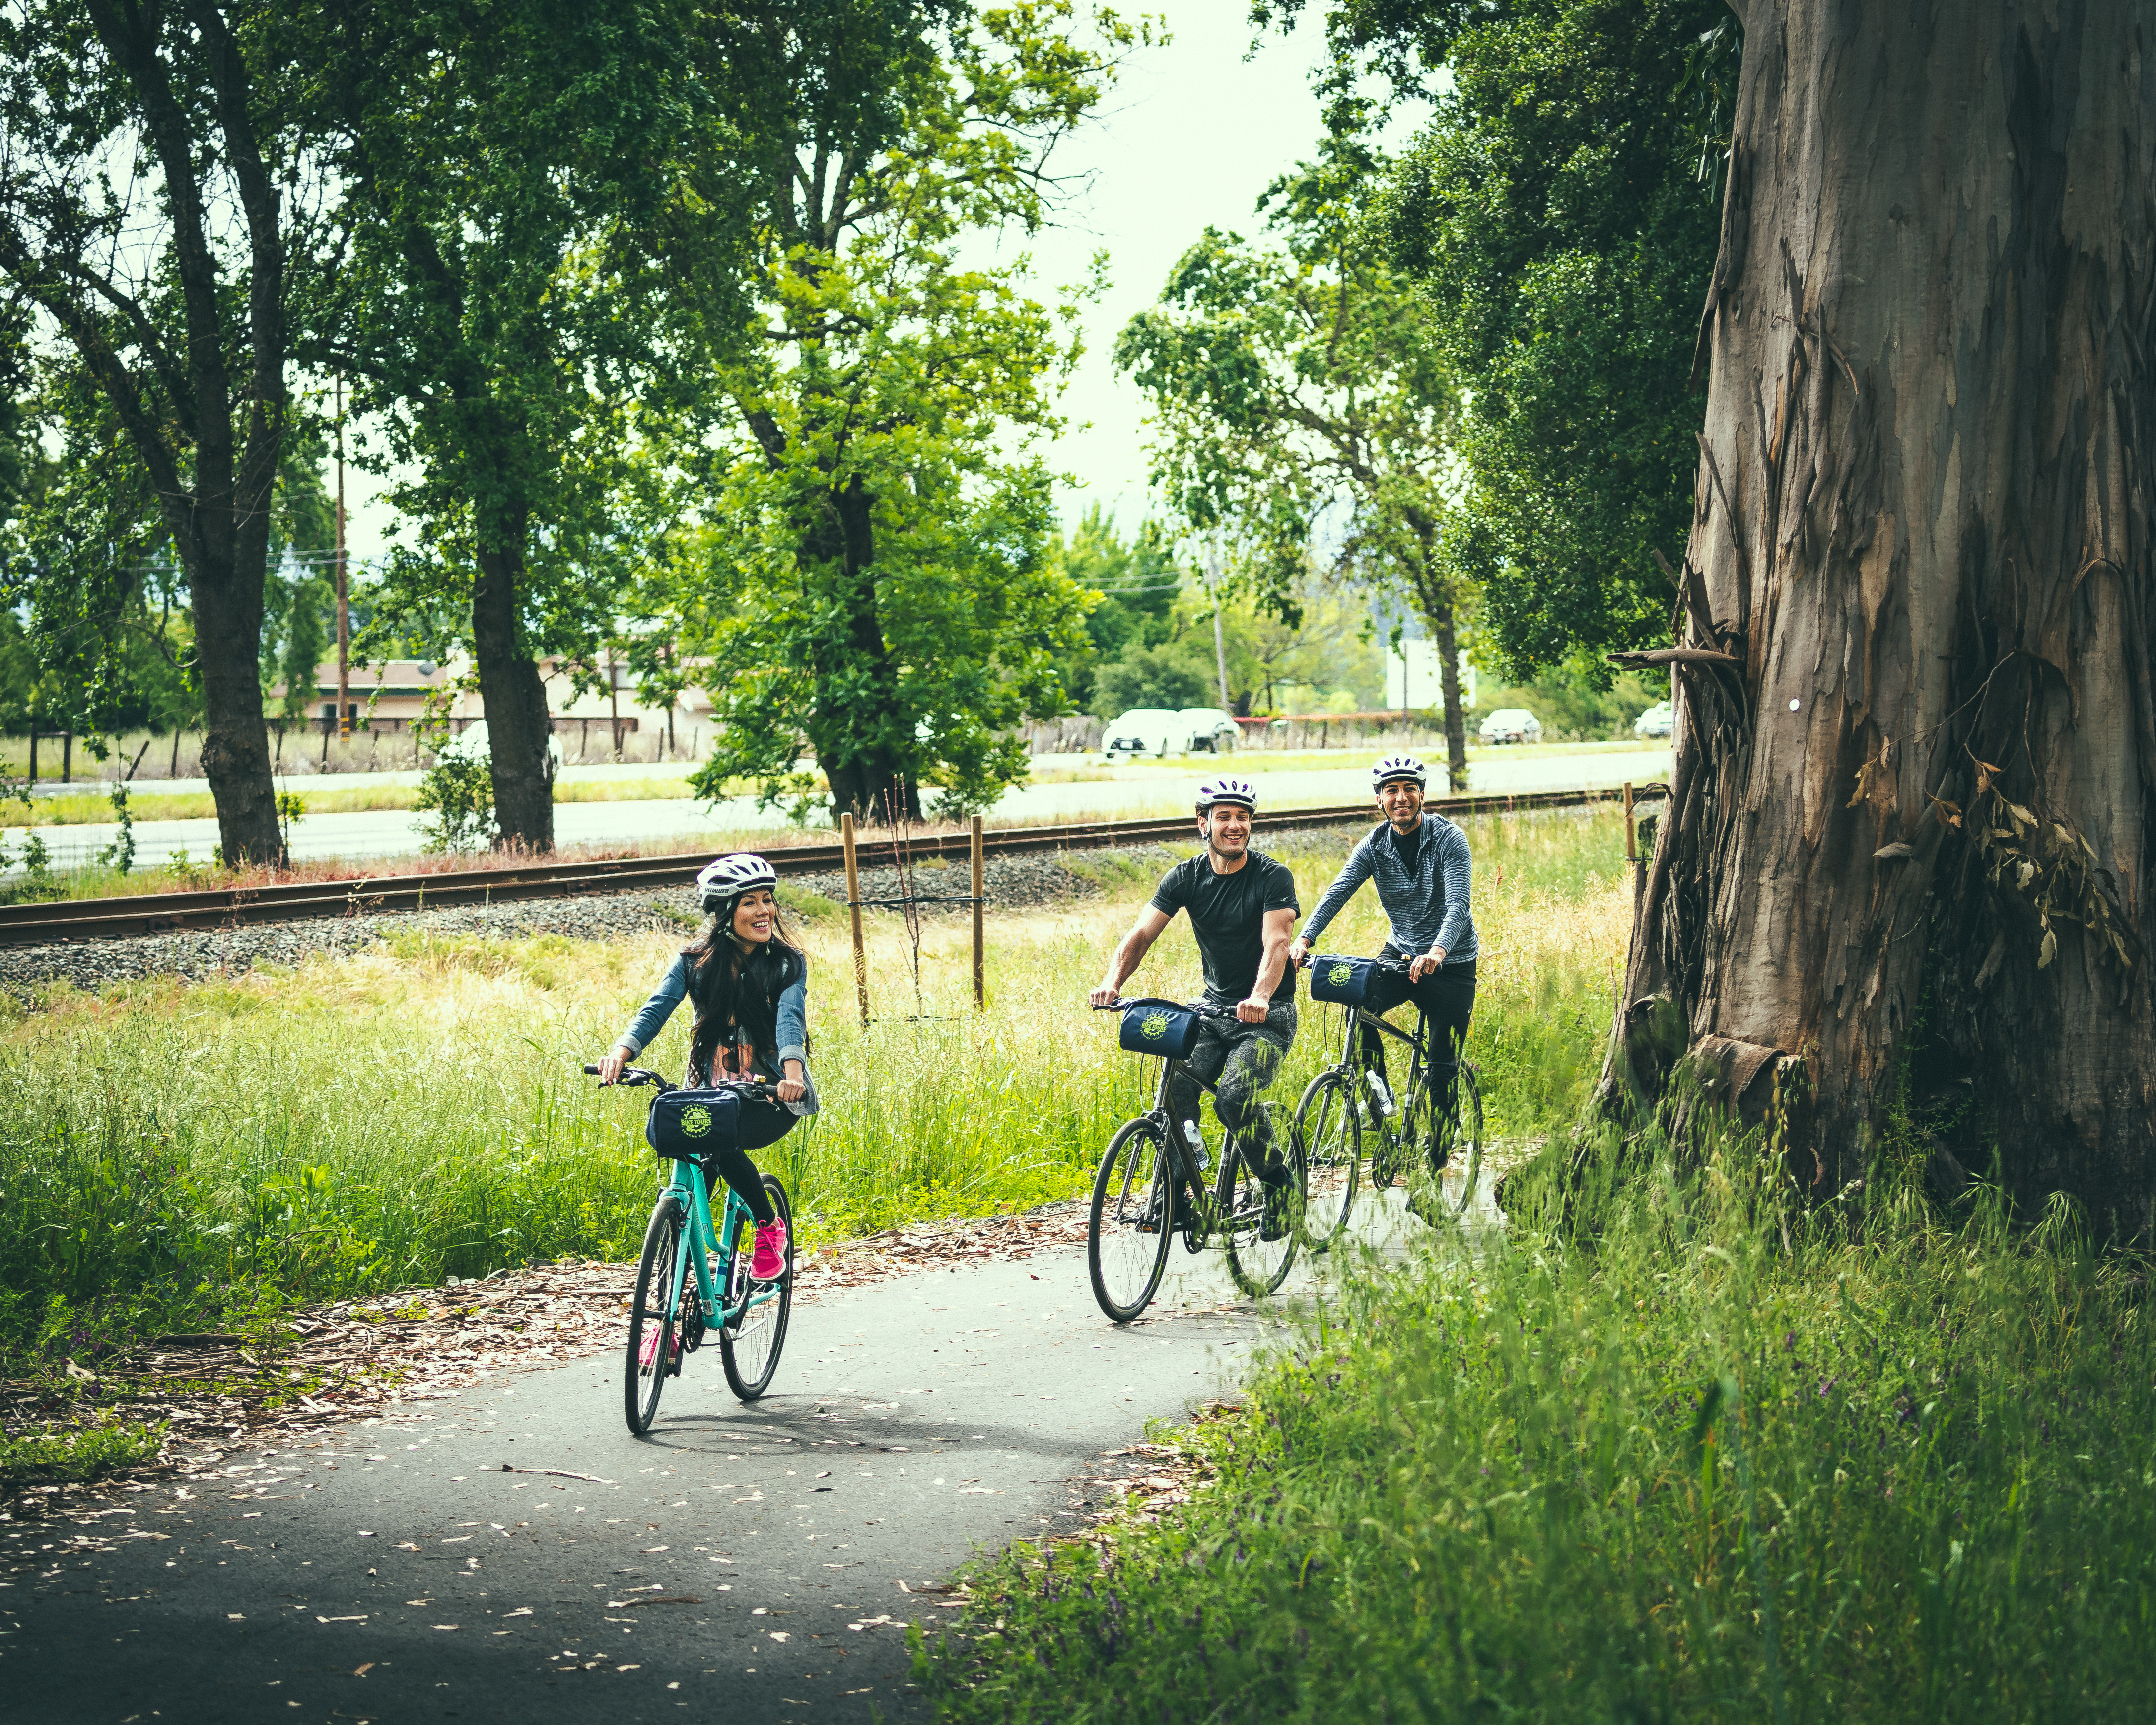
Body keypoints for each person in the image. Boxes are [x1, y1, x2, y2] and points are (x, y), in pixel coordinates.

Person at [1088, 775, 1299, 1232]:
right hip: (1213, 1010)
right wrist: (1112, 982)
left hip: (1268, 1016)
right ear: (1203, 824)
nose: (1235, 826)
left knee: (1234, 1099)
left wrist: (1260, 996)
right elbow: (1141, 934)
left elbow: (1278, 943)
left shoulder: (1272, 876)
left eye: (1242, 817)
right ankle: (1178, 1196)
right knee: (1175, 1092)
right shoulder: (1186, 876)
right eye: (1224, 817)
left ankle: (1279, 1185)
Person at [597, 853, 814, 1281]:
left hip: (769, 1094)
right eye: (749, 902)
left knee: (719, 1143)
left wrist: (792, 1076)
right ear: (724, 912)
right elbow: (655, 1009)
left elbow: (790, 1021)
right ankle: (676, 1280)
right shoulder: (693, 962)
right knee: (694, 1161)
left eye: (767, 899)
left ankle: (769, 1228)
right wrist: (620, 1053)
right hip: (710, 1090)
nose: (764, 911)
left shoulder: (787, 963)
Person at [1289, 753, 1477, 1187]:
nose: (1401, 798)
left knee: (1442, 1069)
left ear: (1422, 795)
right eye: (1391, 791)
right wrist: (1304, 939)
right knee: (1358, 1006)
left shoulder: (1449, 838)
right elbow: (1339, 891)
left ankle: (1434, 1171)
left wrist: (1438, 951)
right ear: (1379, 800)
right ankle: (1381, 1094)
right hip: (1401, 954)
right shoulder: (1374, 845)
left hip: (1451, 965)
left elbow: (1458, 904)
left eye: (1409, 789)